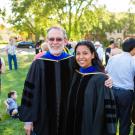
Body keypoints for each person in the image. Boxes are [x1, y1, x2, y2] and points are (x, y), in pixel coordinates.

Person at [18, 26, 113, 135]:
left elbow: (90, 75)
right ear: (46, 40)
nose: (55, 42)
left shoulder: (73, 61)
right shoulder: (38, 64)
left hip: (69, 117)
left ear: (65, 41)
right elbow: (29, 93)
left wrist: (107, 78)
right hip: (44, 117)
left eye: (58, 39)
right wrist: (28, 120)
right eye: (51, 39)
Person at [65, 40, 116, 135]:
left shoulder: (101, 79)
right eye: (78, 53)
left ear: (93, 55)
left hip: (90, 128)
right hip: (71, 126)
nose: (81, 57)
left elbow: (106, 111)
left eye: (85, 53)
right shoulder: (74, 74)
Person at [105, 38, 135, 135]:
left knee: (112, 119)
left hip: (112, 91)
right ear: (133, 48)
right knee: (125, 121)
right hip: (126, 94)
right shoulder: (133, 60)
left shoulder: (113, 58)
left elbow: (106, 72)